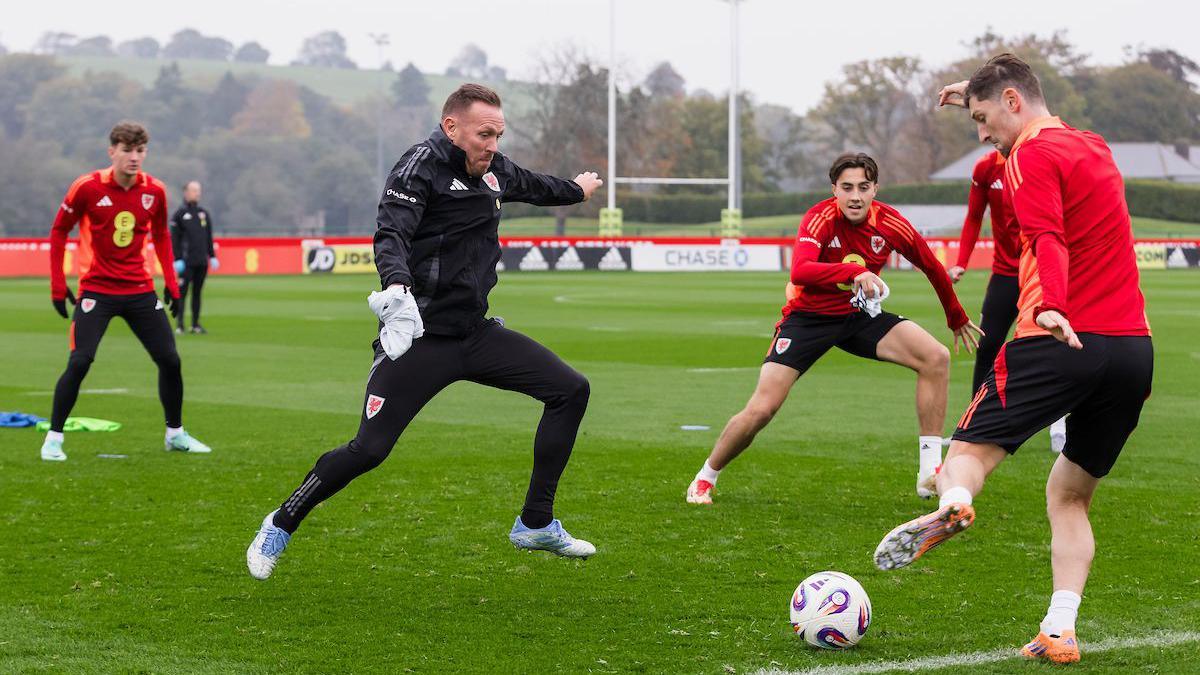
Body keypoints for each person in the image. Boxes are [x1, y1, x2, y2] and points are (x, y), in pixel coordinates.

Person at [246, 84, 604, 580]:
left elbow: (534, 186)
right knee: (369, 450)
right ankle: (280, 523)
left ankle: (535, 523)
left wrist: (576, 190)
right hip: (419, 338)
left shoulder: (494, 169)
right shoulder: (419, 167)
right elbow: (391, 232)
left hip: (475, 334)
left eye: (498, 135)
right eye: (484, 134)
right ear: (451, 127)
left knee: (570, 390)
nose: (492, 145)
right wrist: (396, 286)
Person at [872, 54, 1154, 666]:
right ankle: (1060, 629)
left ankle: (952, 504)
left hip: (1056, 337)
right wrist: (974, 92)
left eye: (982, 118)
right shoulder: (1094, 146)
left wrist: (1052, 304)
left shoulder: (1028, 155)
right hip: (1133, 351)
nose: (981, 134)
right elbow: (1029, 108)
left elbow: (1048, 236)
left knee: (965, 456)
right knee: (1069, 495)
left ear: (1011, 102)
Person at [685, 153, 982, 506]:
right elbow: (801, 270)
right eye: (847, 188)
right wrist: (855, 272)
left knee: (936, 357)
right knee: (762, 409)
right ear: (834, 190)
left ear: (875, 189)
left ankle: (930, 472)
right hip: (808, 319)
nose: (855, 196)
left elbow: (932, 265)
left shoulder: (890, 222)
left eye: (863, 187)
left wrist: (956, 317)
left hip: (858, 316)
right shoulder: (820, 217)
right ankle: (705, 477)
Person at [41, 121, 212, 462]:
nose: (134, 157)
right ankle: (53, 440)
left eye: (140, 150)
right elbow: (59, 231)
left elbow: (161, 235)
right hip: (96, 289)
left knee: (170, 360)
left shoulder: (155, 190)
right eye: (127, 150)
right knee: (80, 361)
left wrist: (171, 283)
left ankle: (175, 434)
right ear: (112, 152)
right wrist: (58, 285)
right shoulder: (87, 187)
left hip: (139, 289)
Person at [949, 150, 1066, 453]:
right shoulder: (986, 168)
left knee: (1055, 343)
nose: (985, 134)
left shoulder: (1040, 160)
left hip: (1041, 270)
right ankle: (974, 426)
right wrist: (961, 261)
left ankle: (1059, 423)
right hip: (1005, 272)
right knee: (988, 345)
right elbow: (974, 216)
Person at [170, 180, 218, 334]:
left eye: (199, 190)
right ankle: (180, 325)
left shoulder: (203, 214)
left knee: (197, 293)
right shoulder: (179, 215)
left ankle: (195, 324)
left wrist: (212, 256)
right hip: (186, 261)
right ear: (186, 192)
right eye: (194, 190)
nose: (197, 193)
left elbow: (208, 237)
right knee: (182, 293)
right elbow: (175, 239)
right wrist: (177, 258)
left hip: (201, 261)